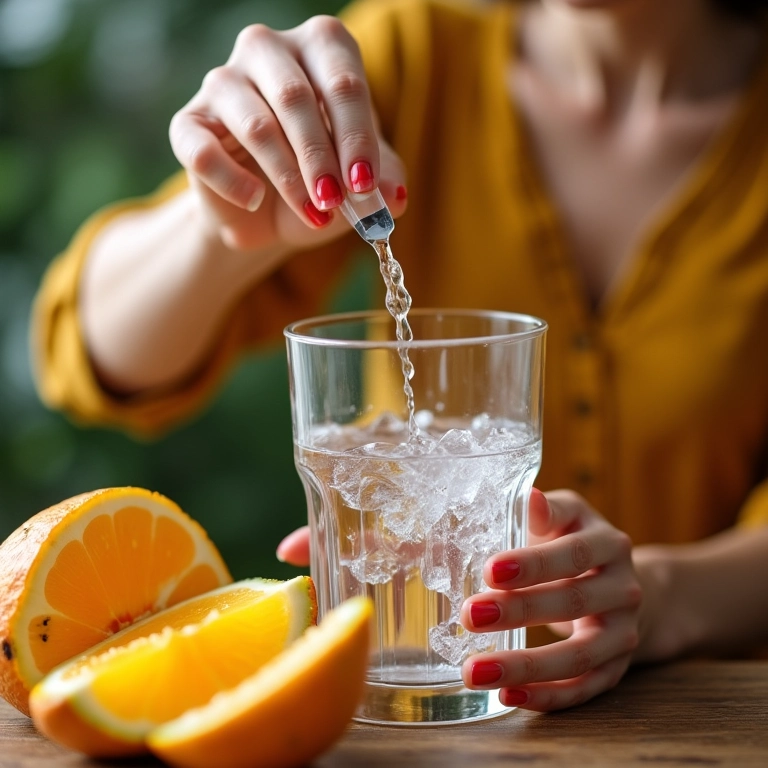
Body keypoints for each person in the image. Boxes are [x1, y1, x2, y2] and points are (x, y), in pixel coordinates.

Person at [32, 0, 768, 712]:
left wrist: (663, 596)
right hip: (407, 721)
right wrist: (218, 229)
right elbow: (91, 353)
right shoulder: (410, 59)